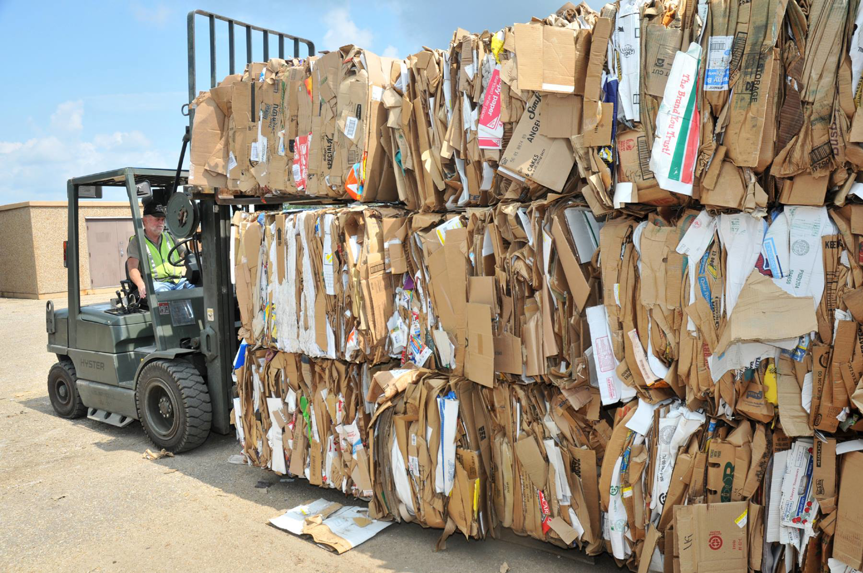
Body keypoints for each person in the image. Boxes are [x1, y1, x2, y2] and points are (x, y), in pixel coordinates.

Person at [126, 202, 194, 298]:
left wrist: (195, 259)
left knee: (197, 289)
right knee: (165, 295)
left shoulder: (170, 237)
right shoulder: (137, 242)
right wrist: (141, 285)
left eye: (163, 219)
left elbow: (186, 255)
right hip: (156, 283)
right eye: (157, 219)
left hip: (178, 281)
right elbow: (133, 268)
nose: (161, 223)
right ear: (145, 221)